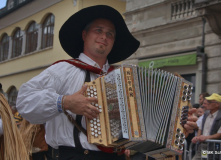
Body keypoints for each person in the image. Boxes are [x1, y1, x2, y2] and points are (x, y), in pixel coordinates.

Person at [16, 5, 197, 160]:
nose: (104, 36)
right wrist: (64, 102)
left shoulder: (126, 80)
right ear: (84, 35)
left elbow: (143, 133)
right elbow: (24, 101)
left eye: (110, 33)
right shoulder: (63, 70)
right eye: (98, 30)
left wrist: (177, 128)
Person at [191, 93, 221, 160]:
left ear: (217, 104)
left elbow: (220, 134)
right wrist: (198, 137)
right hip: (203, 145)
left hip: (213, 147)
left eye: (210, 102)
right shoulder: (206, 114)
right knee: (199, 158)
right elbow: (200, 128)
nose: (207, 104)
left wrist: (206, 137)